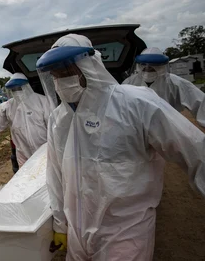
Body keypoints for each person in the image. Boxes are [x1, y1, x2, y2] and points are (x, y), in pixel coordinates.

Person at [36, 34, 205, 260]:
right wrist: (60, 225)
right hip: (78, 232)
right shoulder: (59, 119)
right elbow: (55, 174)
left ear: (89, 65)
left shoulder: (135, 103)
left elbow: (195, 151)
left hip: (125, 232)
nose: (62, 79)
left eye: (68, 72)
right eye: (56, 74)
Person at [0, 73, 52, 169]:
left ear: (26, 86)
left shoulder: (43, 102)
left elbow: (52, 128)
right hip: (23, 154)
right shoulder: (7, 107)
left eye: (19, 88)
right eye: (13, 90)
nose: (17, 92)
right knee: (27, 179)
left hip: (45, 152)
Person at [123, 47, 205, 127]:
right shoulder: (129, 82)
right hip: (137, 128)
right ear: (139, 66)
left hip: (168, 128)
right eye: (144, 66)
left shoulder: (175, 82)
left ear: (162, 66)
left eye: (153, 67)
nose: (148, 70)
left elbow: (200, 101)